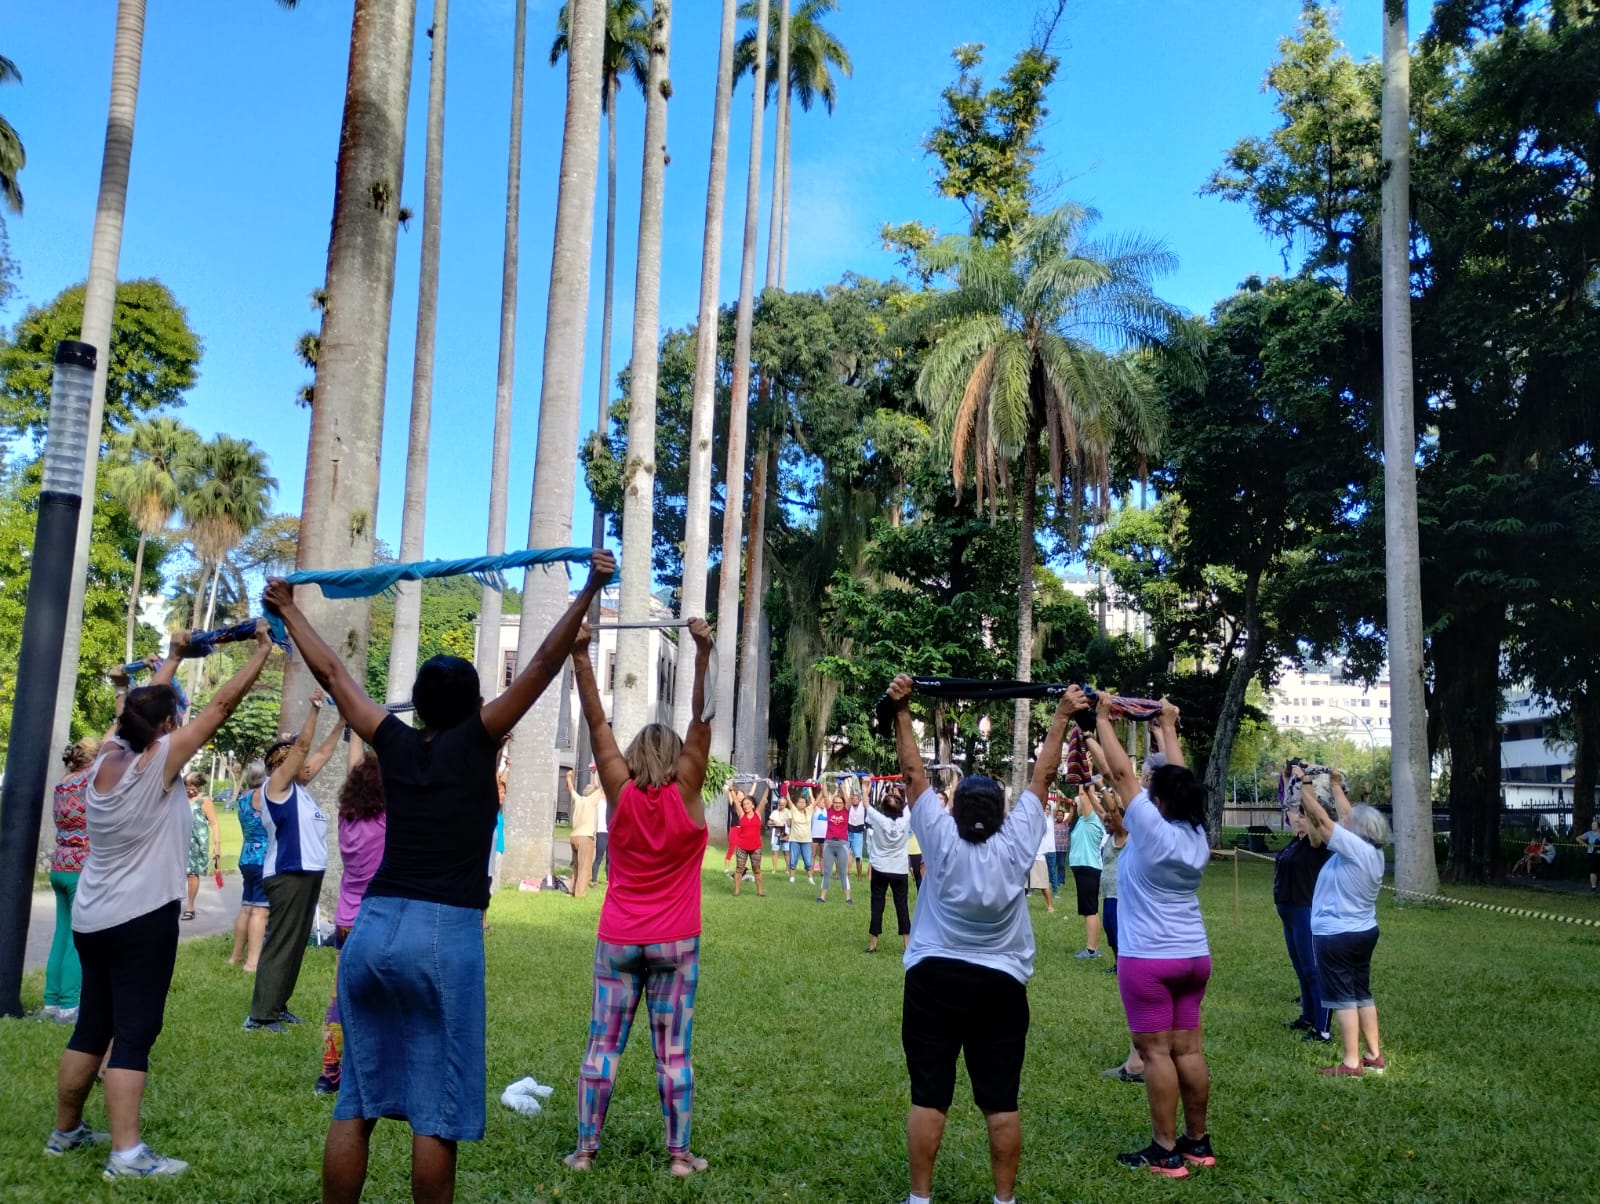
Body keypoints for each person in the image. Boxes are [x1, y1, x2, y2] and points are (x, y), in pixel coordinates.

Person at [266, 550, 614, 1204]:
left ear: (420, 706)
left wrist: (288, 609)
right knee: (438, 1113)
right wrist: (591, 585)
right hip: (441, 933)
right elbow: (541, 666)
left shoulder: (393, 740)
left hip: (370, 930)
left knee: (356, 1104)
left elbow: (337, 675)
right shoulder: (479, 739)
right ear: (475, 704)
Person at [47, 625, 276, 1178]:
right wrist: (263, 650)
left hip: (93, 917)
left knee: (92, 1026)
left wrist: (172, 659)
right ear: (169, 726)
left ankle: (66, 1132)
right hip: (140, 920)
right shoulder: (162, 762)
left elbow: (140, 714)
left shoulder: (103, 762)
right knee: (134, 1032)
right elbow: (220, 706)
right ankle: (126, 1155)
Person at [888, 673, 1081, 1204]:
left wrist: (903, 709)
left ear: (953, 809)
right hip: (999, 985)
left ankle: (920, 1198)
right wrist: (1062, 715)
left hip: (933, 980)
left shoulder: (938, 836)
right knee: (1001, 1102)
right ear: (1002, 814)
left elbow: (911, 771)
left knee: (930, 1096)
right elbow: (1042, 775)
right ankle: (1004, 1200)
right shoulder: (1019, 841)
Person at [565, 614, 715, 1178]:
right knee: (673, 1055)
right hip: (676, 942)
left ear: (631, 755)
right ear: (677, 757)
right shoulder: (690, 787)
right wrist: (701, 654)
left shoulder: (618, 790)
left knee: (602, 1050)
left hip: (619, 940)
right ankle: (679, 1159)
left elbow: (596, 719)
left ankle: (584, 1152)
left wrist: (583, 656)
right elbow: (700, 719)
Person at [1093, 694, 1215, 1177]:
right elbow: (1183, 782)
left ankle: (1165, 1150)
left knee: (1155, 1053)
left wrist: (1102, 718)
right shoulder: (1195, 836)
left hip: (1148, 961)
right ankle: (1197, 1143)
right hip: (1193, 957)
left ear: (1158, 801)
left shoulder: (1152, 830)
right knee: (1189, 1050)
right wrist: (1166, 727)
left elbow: (1123, 776)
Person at [245, 687, 345, 1031]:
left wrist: (343, 719)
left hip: (307, 873)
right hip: (288, 872)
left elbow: (322, 753)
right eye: (294, 760)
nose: (305, 764)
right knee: (281, 944)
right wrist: (316, 710)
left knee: (295, 945)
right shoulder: (276, 787)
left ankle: (277, 1005)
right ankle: (260, 1016)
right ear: (280, 764)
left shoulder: (300, 791)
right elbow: (303, 748)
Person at [1301, 771, 1390, 1077]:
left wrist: (1305, 786)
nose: (1345, 822)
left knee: (1343, 998)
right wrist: (1336, 786)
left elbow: (1323, 822)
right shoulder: (1372, 852)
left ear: (1359, 832)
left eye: (1350, 824)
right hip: (1363, 931)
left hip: (1338, 934)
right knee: (1361, 993)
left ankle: (1351, 1063)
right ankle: (1374, 1056)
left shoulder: (1354, 850)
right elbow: (1347, 816)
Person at [317, 737, 388, 1096]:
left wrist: (356, 733)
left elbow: (354, 769)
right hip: (376, 923)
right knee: (381, 999)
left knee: (340, 999)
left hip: (345, 923)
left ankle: (329, 1073)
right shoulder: (385, 823)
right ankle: (374, 1071)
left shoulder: (347, 820)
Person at [43, 739, 100, 1025]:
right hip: (82, 866)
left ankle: (51, 1000)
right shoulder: (91, 780)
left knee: (61, 933)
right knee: (79, 938)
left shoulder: (62, 783)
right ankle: (69, 1005)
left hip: (59, 864)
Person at [1274, 779, 1333, 1043]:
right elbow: (1288, 805)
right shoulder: (1294, 843)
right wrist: (1290, 779)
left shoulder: (1315, 843)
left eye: (1300, 815)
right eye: (1295, 815)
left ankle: (1322, 1028)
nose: (1295, 818)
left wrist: (1307, 784)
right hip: (1288, 912)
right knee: (1300, 967)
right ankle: (1308, 1016)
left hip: (1305, 911)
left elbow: (1314, 819)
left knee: (1312, 969)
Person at [228, 762, 270, 971]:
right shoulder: (262, 796)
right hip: (263, 858)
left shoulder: (242, 798)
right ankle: (253, 962)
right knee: (260, 911)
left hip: (246, 857)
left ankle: (235, 956)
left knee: (246, 907)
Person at [863, 784, 912, 954]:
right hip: (899, 869)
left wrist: (865, 788)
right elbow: (909, 803)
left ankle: (873, 945)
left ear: (883, 807)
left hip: (880, 868)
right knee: (902, 906)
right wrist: (903, 790)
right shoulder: (905, 819)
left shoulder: (879, 819)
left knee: (877, 904)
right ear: (900, 807)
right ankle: (907, 945)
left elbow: (866, 804)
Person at [1069, 782, 1106, 958]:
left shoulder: (1092, 820)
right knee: (1088, 908)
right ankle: (1092, 948)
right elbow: (1087, 795)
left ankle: (1092, 950)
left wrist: (1084, 771)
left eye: (1080, 804)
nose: (1078, 806)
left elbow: (1084, 796)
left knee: (1090, 909)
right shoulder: (1083, 821)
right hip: (1084, 868)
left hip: (1088, 868)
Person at [181, 773, 219, 922]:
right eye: (187, 788)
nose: (190, 791)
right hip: (180, 841)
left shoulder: (204, 800)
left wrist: (217, 847)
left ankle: (190, 907)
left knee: (192, 874)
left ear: (199, 786)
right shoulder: (180, 799)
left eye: (193, 788)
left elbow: (214, 823)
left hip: (196, 843)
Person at [817, 782, 853, 905]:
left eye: (840, 803)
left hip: (842, 844)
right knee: (827, 872)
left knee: (843, 872)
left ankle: (848, 898)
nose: (837, 805)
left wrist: (843, 789)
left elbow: (848, 800)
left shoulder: (846, 811)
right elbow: (826, 796)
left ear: (843, 804)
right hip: (829, 844)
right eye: (836, 803)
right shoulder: (830, 810)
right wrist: (824, 782)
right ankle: (822, 897)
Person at [566, 768, 600, 898]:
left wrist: (569, 777)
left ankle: (573, 889)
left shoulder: (579, 800)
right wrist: (596, 772)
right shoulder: (592, 801)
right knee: (584, 867)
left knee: (576, 866)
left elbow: (571, 789)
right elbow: (599, 787)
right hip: (586, 836)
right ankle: (580, 894)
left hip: (574, 836)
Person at [731, 795, 766, 897]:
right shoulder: (742, 815)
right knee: (739, 869)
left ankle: (760, 892)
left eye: (748, 804)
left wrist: (768, 786)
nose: (745, 806)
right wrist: (731, 789)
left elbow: (763, 800)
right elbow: (736, 802)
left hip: (756, 847)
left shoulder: (757, 814)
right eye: (744, 804)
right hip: (742, 847)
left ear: (753, 805)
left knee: (757, 869)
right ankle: (736, 891)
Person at [785, 787, 816, 885]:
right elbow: (788, 798)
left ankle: (810, 878)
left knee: (808, 861)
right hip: (795, 840)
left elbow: (816, 800)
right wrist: (786, 786)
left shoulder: (809, 810)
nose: (802, 804)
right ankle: (792, 877)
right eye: (800, 802)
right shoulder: (794, 810)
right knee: (793, 860)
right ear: (796, 803)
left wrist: (821, 788)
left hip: (806, 840)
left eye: (803, 802)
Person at [1028, 805, 1055, 912]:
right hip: (1029, 857)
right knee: (1022, 885)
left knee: (1043, 884)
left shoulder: (1043, 820)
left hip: (1039, 856)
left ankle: (1050, 906)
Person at [1047, 792, 1071, 894]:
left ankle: (1060, 881)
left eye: (1062, 815)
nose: (1059, 816)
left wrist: (1060, 801)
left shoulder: (1065, 824)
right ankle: (1051, 881)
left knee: (1061, 865)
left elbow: (1071, 814)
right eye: (1058, 815)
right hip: (1053, 848)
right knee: (1052, 866)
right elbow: (1055, 810)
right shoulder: (1052, 823)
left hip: (1062, 848)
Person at [847, 781, 868, 879]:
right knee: (843, 854)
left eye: (856, 798)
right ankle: (841, 874)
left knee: (858, 856)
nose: (854, 800)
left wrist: (868, 782)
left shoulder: (862, 806)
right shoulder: (849, 806)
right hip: (848, 832)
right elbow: (848, 794)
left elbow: (866, 794)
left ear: (859, 799)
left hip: (858, 834)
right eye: (853, 798)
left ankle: (859, 876)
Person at [766, 786, 788, 875]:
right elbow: (769, 822)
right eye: (780, 804)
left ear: (785, 804)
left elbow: (790, 823)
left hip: (785, 833)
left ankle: (787, 869)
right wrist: (773, 822)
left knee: (786, 852)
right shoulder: (774, 812)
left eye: (783, 804)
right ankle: (774, 869)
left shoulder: (788, 812)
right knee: (775, 852)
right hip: (776, 834)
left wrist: (784, 824)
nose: (781, 806)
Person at [1580, 818, 1600, 892]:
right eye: (1592, 824)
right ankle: (1593, 888)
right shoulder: (1589, 833)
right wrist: (1586, 845)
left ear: (1598, 826)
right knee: (1593, 871)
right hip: (1592, 854)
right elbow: (1578, 838)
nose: (1592, 826)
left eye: (1594, 825)